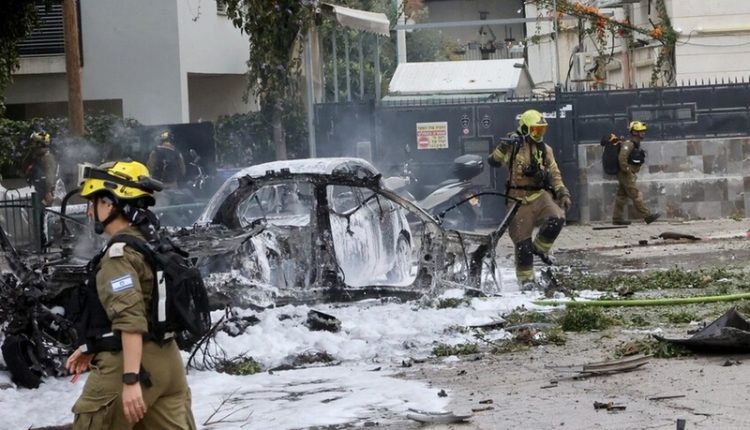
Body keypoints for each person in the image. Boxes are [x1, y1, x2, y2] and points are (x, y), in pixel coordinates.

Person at [65, 160, 196, 429]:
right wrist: (92, 346)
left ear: (110, 204)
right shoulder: (153, 244)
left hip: (131, 364)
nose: (90, 211)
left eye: (93, 202)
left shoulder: (119, 256)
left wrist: (130, 379)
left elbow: (131, 320)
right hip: (169, 363)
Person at [488, 109, 572, 290]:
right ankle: (526, 281)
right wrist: (504, 145)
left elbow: (555, 173)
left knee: (557, 218)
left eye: (541, 130)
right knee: (522, 245)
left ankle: (540, 248)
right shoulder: (513, 146)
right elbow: (494, 161)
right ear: (525, 129)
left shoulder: (545, 150)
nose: (539, 133)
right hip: (517, 199)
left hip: (540, 195)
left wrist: (563, 192)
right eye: (535, 129)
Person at [611, 121, 660, 225]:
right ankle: (647, 216)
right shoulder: (629, 144)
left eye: (643, 131)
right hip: (625, 174)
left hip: (627, 173)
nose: (643, 133)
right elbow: (622, 157)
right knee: (635, 194)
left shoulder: (635, 144)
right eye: (640, 131)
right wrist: (627, 170)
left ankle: (616, 218)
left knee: (621, 196)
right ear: (634, 132)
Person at [22, 130, 58, 206]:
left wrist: (48, 192)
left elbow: (50, 176)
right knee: (38, 209)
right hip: (39, 190)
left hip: (46, 193)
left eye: (34, 143)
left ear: (41, 144)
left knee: (44, 209)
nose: (32, 146)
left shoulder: (47, 158)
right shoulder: (37, 157)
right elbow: (25, 164)